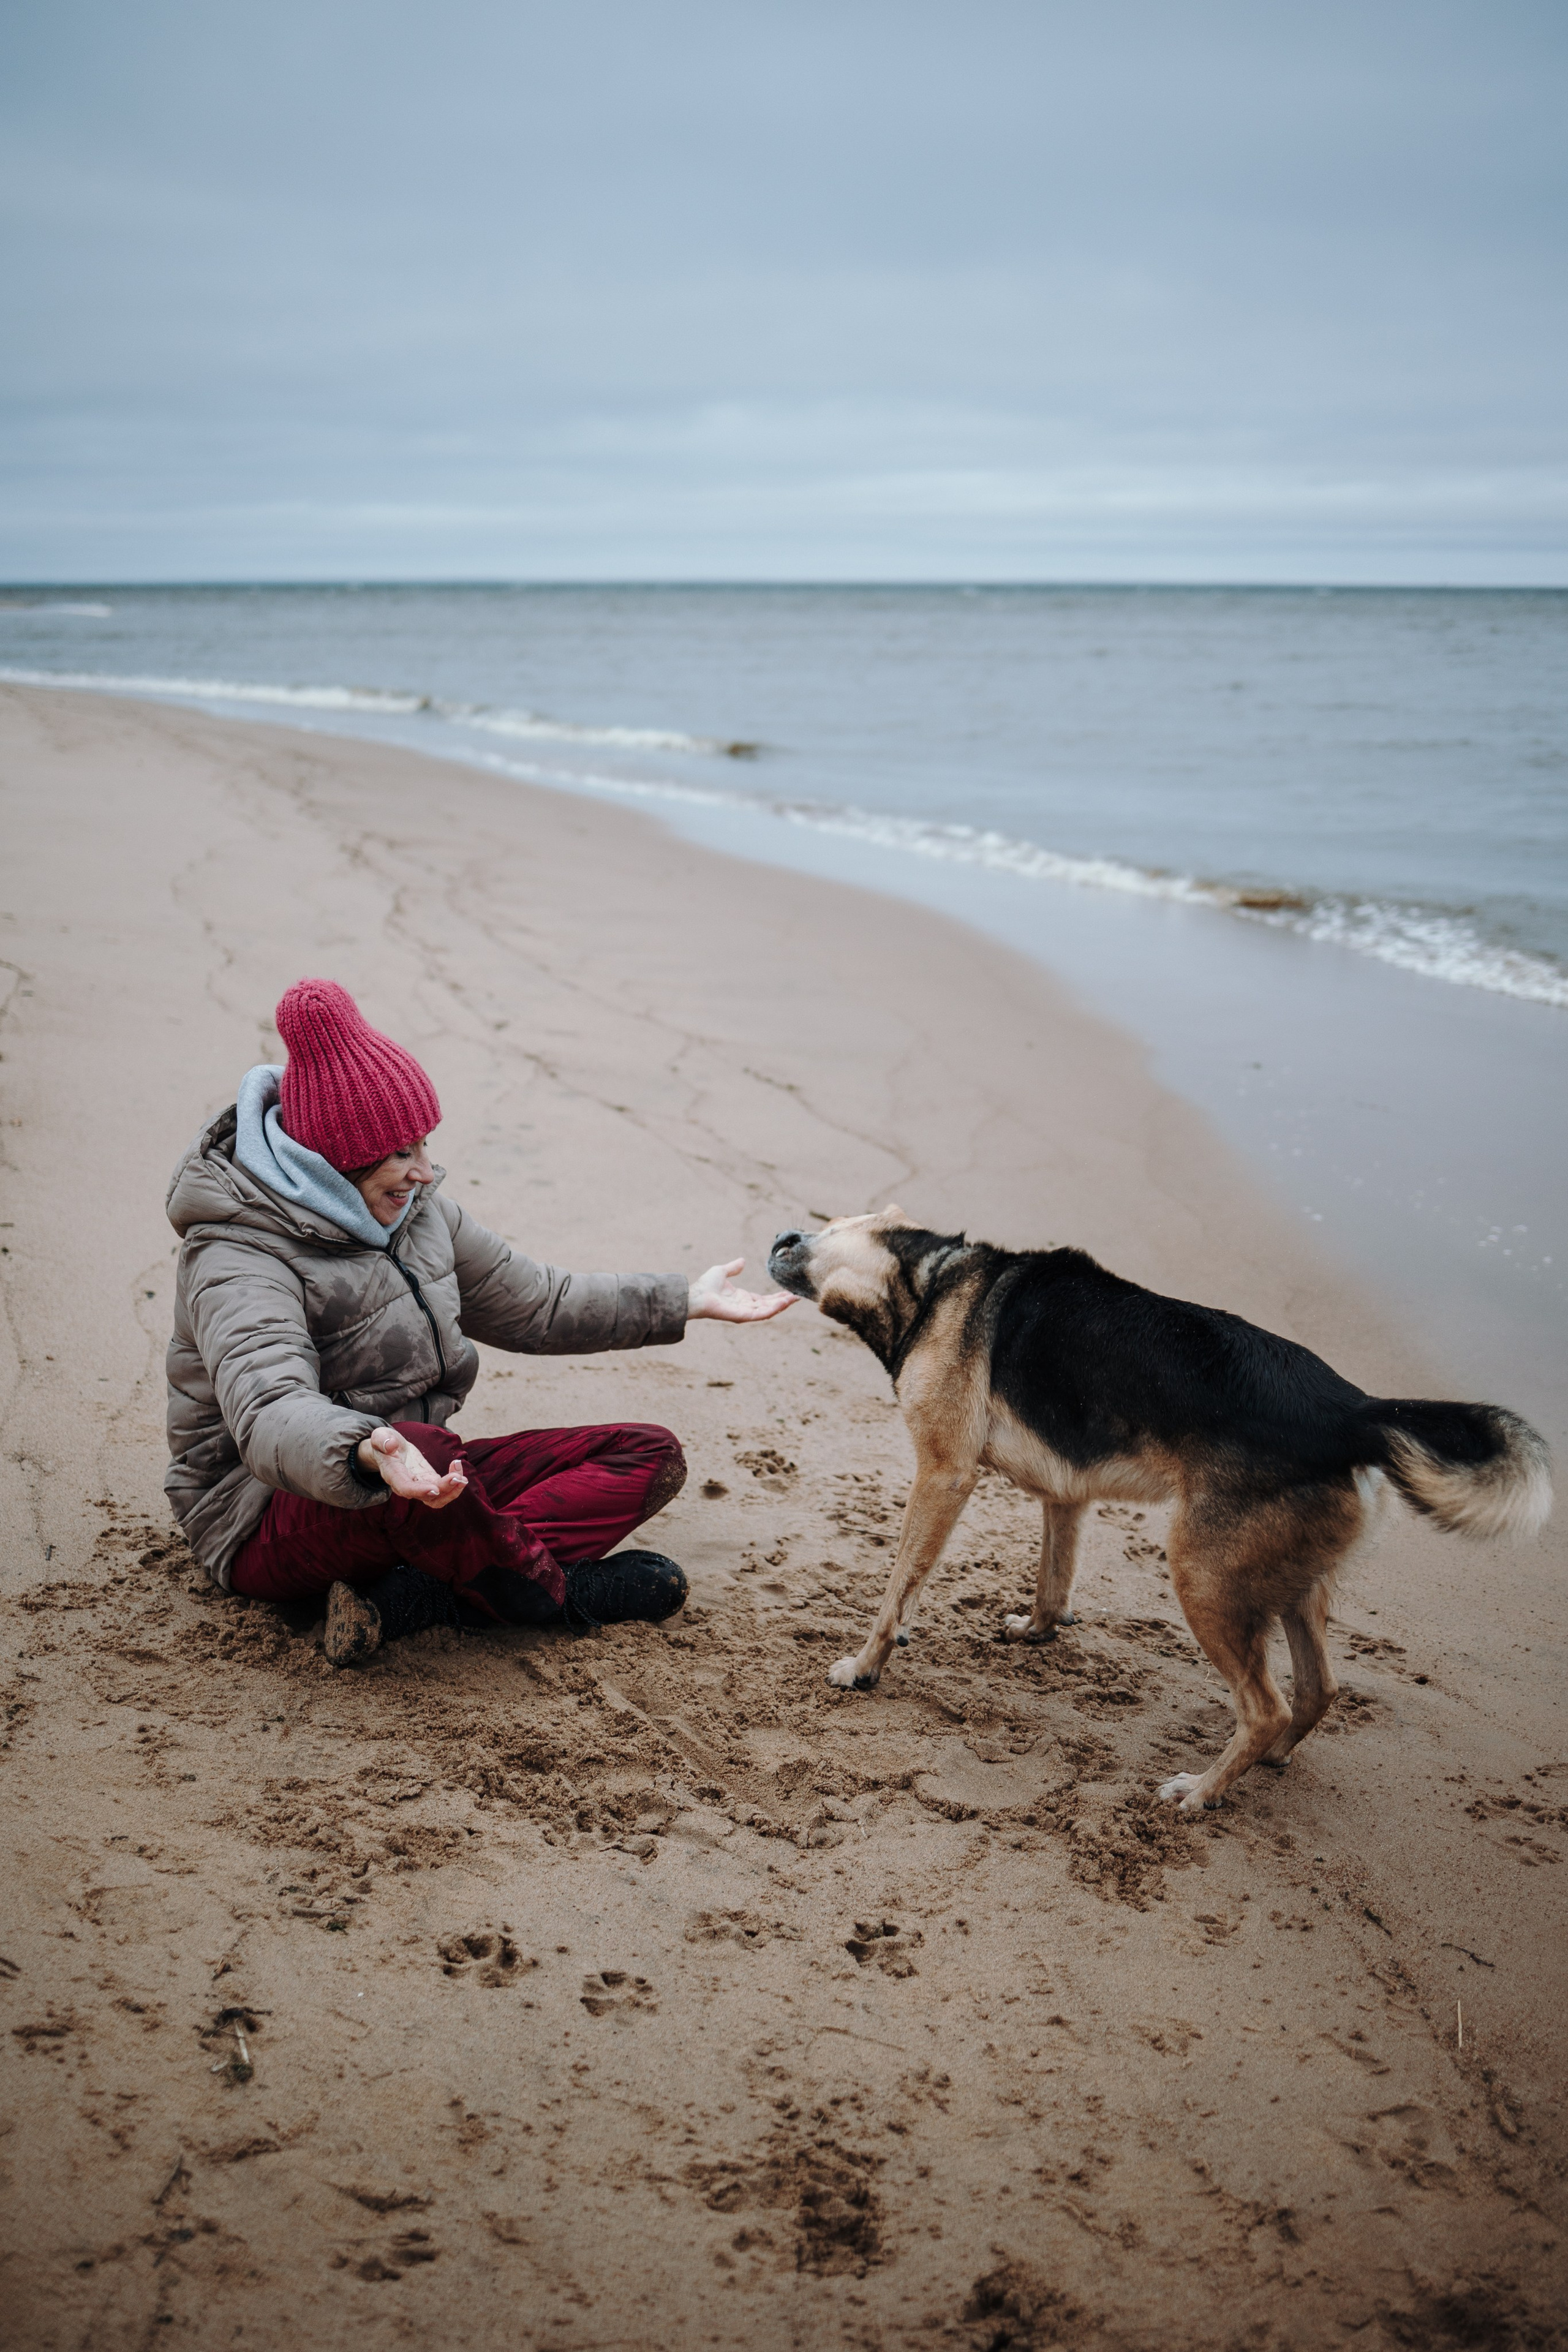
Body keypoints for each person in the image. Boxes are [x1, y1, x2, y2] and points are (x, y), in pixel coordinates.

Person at [165, 978, 793, 1665]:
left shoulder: (419, 1214)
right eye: (401, 1154)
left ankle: (420, 1597)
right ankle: (552, 1596)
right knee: (425, 1449)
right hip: (268, 1515)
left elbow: (540, 1304)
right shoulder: (237, 1255)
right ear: (336, 1159)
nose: (425, 1173)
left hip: (420, 1482)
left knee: (647, 1453)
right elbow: (269, 1411)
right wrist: (366, 1450)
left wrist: (681, 1300)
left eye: (424, 1145)